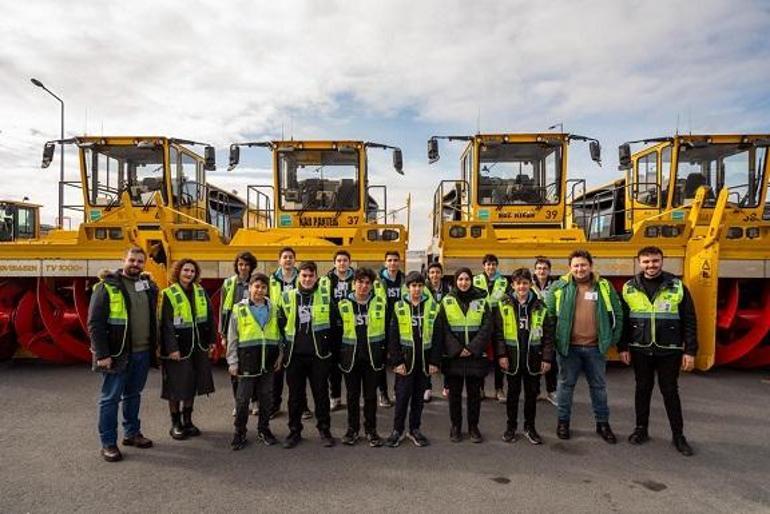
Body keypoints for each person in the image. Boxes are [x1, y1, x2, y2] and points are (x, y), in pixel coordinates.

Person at [618, 246, 697, 456]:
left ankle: (678, 435)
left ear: (662, 261)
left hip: (669, 350)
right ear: (639, 262)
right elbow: (624, 321)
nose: (651, 265)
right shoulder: (629, 287)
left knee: (670, 392)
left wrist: (690, 351)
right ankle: (641, 429)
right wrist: (622, 347)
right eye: (646, 261)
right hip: (640, 349)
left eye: (655, 261)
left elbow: (689, 320)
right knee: (642, 390)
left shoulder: (677, 286)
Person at [544, 249, 623, 443]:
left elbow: (618, 314)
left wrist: (611, 340)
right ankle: (563, 422)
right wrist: (553, 343)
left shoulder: (604, 287)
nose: (580, 269)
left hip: (596, 348)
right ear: (569, 268)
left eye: (583, 265)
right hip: (568, 349)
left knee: (599, 388)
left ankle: (602, 424)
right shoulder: (559, 287)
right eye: (576, 265)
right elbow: (548, 317)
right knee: (565, 387)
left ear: (591, 266)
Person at [88, 247, 158, 462]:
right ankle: (108, 443)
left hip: (142, 351)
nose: (135, 264)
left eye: (139, 261)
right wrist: (102, 354)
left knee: (133, 395)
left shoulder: (146, 286)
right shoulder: (106, 287)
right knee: (110, 399)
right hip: (117, 354)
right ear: (123, 260)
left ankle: (132, 433)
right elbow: (95, 324)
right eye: (132, 260)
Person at [278, 261, 336, 448]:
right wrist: (282, 350)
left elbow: (336, 325)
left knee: (321, 395)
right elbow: (279, 324)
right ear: (298, 276)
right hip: (295, 355)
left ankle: (324, 430)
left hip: (319, 355)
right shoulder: (287, 297)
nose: (307, 279)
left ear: (316, 277)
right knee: (295, 396)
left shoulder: (326, 297)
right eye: (304, 275)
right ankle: (294, 431)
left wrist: (331, 350)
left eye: (311, 276)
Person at [159, 258, 215, 440]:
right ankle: (175, 424)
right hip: (178, 347)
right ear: (178, 272)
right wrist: (171, 348)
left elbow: (209, 317)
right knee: (175, 386)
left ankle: (188, 420)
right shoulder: (168, 293)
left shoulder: (200, 291)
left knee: (192, 384)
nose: (189, 274)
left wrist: (212, 341)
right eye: (185, 270)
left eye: (192, 271)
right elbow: (166, 324)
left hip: (198, 346)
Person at [495, 268, 554, 445]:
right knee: (512, 395)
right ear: (513, 285)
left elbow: (548, 336)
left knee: (531, 395)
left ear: (530, 284)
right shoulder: (503, 304)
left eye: (525, 283)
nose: (522, 286)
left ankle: (530, 428)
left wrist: (547, 358)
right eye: (518, 283)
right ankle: (511, 427)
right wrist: (502, 355)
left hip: (533, 358)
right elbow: (498, 334)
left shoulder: (540, 306)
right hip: (512, 358)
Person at [436, 267, 493, 443]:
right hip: (454, 357)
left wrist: (472, 348)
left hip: (475, 356)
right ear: (455, 281)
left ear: (471, 280)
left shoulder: (482, 300)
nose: (463, 282)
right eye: (460, 279)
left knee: (474, 395)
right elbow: (442, 328)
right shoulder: (447, 301)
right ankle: (455, 427)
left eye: (467, 279)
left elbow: (487, 326)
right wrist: (457, 348)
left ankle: (474, 428)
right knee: (454, 395)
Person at [227, 272, 282, 450]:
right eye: (256, 286)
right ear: (249, 287)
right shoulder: (238, 309)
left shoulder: (274, 308)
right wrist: (232, 362)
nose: (259, 290)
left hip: (268, 360)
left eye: (263, 287)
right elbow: (232, 337)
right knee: (243, 400)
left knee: (266, 398)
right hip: (246, 361)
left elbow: (279, 335)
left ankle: (264, 429)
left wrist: (280, 355)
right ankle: (239, 432)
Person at [386, 271, 441, 447]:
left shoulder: (432, 307)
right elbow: (392, 336)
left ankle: (414, 429)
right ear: (407, 288)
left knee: (418, 397)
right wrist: (396, 361)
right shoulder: (399, 307)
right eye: (413, 286)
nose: (416, 289)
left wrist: (434, 362)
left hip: (424, 361)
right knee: (402, 396)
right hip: (405, 360)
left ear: (424, 287)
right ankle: (397, 430)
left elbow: (438, 337)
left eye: (419, 286)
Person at [337, 268, 387, 447]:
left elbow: (387, 330)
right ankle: (352, 430)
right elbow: (336, 332)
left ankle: (371, 431)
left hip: (373, 357)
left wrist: (385, 353)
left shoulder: (379, 302)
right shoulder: (342, 304)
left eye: (367, 283)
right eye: (360, 282)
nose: (364, 286)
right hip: (350, 357)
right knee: (352, 396)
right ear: (353, 283)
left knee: (371, 396)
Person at [269, 247, 307, 419]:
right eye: (284, 257)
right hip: (277, 327)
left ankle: (304, 406)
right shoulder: (272, 280)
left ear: (295, 260)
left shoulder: (302, 277)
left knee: (298, 372)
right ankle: (274, 404)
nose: (288, 260)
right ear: (279, 261)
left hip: (297, 329)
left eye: (291, 257)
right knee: (277, 371)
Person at [219, 251, 258, 416]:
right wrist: (222, 335)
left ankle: (255, 401)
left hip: (252, 332)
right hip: (233, 332)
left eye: (247, 264)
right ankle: (239, 402)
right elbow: (223, 309)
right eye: (241, 264)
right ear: (236, 266)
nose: (243, 267)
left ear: (251, 266)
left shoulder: (257, 283)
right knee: (235, 369)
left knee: (255, 368)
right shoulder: (229, 284)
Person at [473, 254, 508, 403]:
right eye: (488, 264)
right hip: (481, 322)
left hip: (498, 322)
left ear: (497, 266)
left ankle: (499, 389)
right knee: (480, 356)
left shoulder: (503, 281)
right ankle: (480, 388)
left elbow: (506, 300)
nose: (491, 267)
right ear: (483, 266)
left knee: (500, 355)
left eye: (493, 264)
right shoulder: (476, 280)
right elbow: (472, 301)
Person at [373, 250, 404, 408]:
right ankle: (383, 394)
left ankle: (398, 391)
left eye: (395, 260)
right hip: (382, 326)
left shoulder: (404, 280)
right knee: (380, 362)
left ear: (400, 262)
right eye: (390, 260)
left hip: (401, 326)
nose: (393, 263)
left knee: (400, 360)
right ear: (385, 262)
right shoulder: (376, 281)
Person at [327, 250, 355, 411]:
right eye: (339, 260)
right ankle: (335, 396)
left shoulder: (356, 278)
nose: (342, 263)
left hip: (351, 325)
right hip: (333, 326)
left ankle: (352, 397)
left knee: (351, 362)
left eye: (345, 260)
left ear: (349, 262)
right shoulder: (327, 280)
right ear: (334, 263)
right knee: (334, 364)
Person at [533, 256, 558, 406]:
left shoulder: (555, 286)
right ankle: (535, 391)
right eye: (539, 268)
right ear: (534, 271)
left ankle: (551, 391)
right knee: (534, 358)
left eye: (544, 268)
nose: (542, 271)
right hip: (535, 326)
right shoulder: (529, 285)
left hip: (550, 325)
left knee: (551, 360)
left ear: (549, 271)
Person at [424, 261, 450, 402]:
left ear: (442, 274)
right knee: (427, 357)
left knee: (446, 357)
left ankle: (447, 386)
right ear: (428, 274)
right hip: (429, 327)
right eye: (432, 272)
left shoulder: (448, 289)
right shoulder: (424, 289)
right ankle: (427, 387)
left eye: (437, 272)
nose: (435, 275)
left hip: (445, 328)